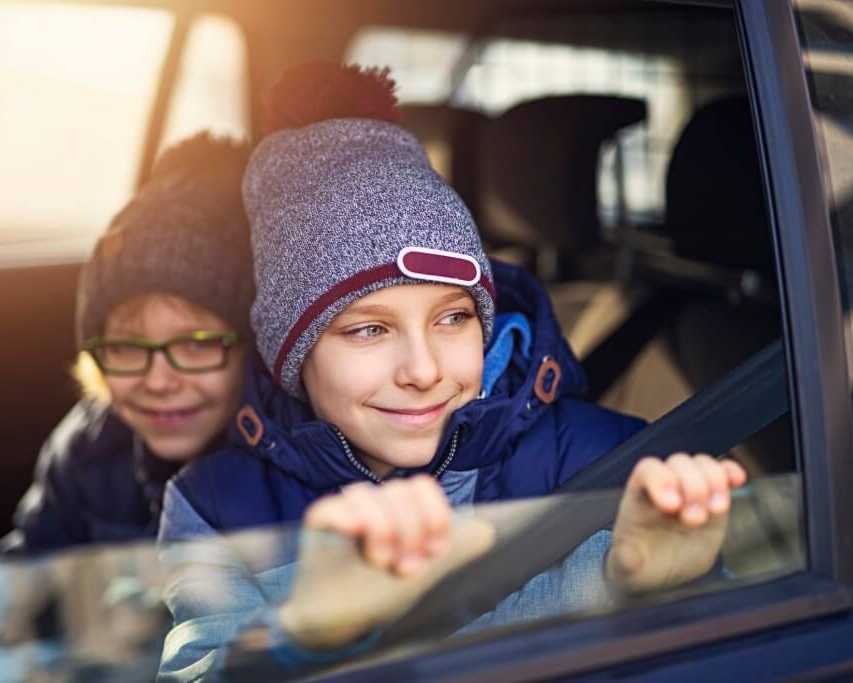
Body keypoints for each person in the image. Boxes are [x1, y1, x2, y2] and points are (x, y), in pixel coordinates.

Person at [157, 63, 746, 680]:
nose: (423, 369)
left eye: (453, 319)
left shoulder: (619, 460)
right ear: (292, 353)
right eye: (369, 329)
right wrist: (302, 636)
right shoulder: (215, 507)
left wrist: (675, 586)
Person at [0, 133, 254, 556]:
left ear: (254, 350)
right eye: (127, 348)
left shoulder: (287, 468)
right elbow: (24, 575)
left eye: (196, 345)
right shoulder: (90, 449)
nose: (158, 380)